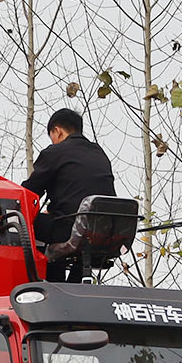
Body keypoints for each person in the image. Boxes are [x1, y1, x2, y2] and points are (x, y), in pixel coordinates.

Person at [22, 108, 117, 281]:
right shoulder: (99, 153)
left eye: (52, 136)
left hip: (71, 228)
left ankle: (49, 280)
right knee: (56, 226)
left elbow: (28, 193)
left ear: (57, 131)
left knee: (21, 223)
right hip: (106, 230)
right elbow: (79, 191)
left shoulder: (55, 152)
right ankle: (75, 280)